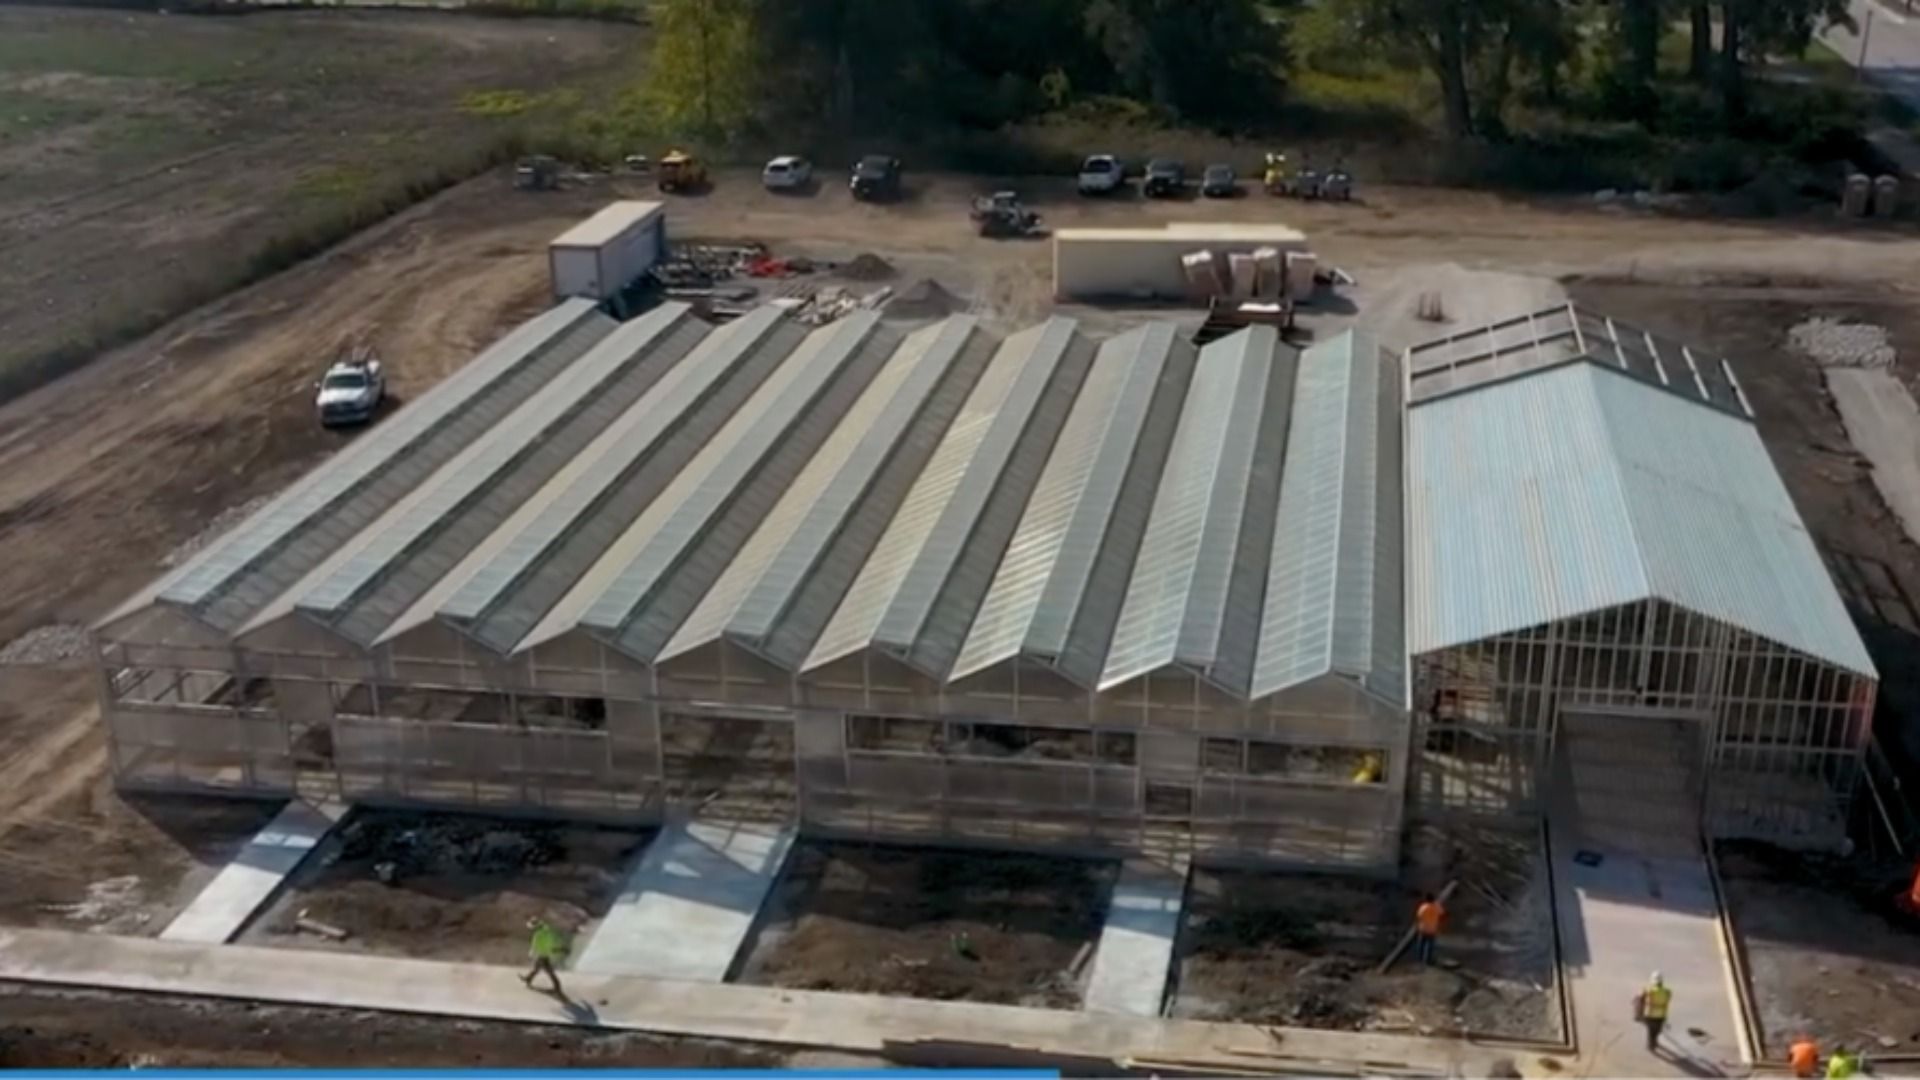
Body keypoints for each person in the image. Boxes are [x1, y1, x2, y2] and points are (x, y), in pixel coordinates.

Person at [522, 916, 568, 995]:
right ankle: (528, 978)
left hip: (542, 954)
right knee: (537, 967)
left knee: (549, 971)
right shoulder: (547, 929)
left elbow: (535, 945)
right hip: (546, 952)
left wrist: (532, 953)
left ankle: (557, 987)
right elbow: (552, 940)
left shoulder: (539, 934)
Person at [1635, 971, 1672, 1053]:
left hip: (1650, 1015)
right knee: (1657, 1030)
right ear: (1662, 981)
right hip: (1661, 1015)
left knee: (1651, 1031)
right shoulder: (1667, 991)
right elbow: (1668, 999)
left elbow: (1639, 998)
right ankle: (1654, 1042)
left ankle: (1651, 1045)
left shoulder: (1648, 990)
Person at [1414, 893, 1445, 965]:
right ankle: (1428, 960)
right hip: (1432, 929)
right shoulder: (1437, 906)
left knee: (1421, 944)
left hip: (1423, 928)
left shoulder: (1423, 907)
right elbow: (1442, 914)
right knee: (1430, 946)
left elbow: (1419, 916)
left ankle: (1420, 959)